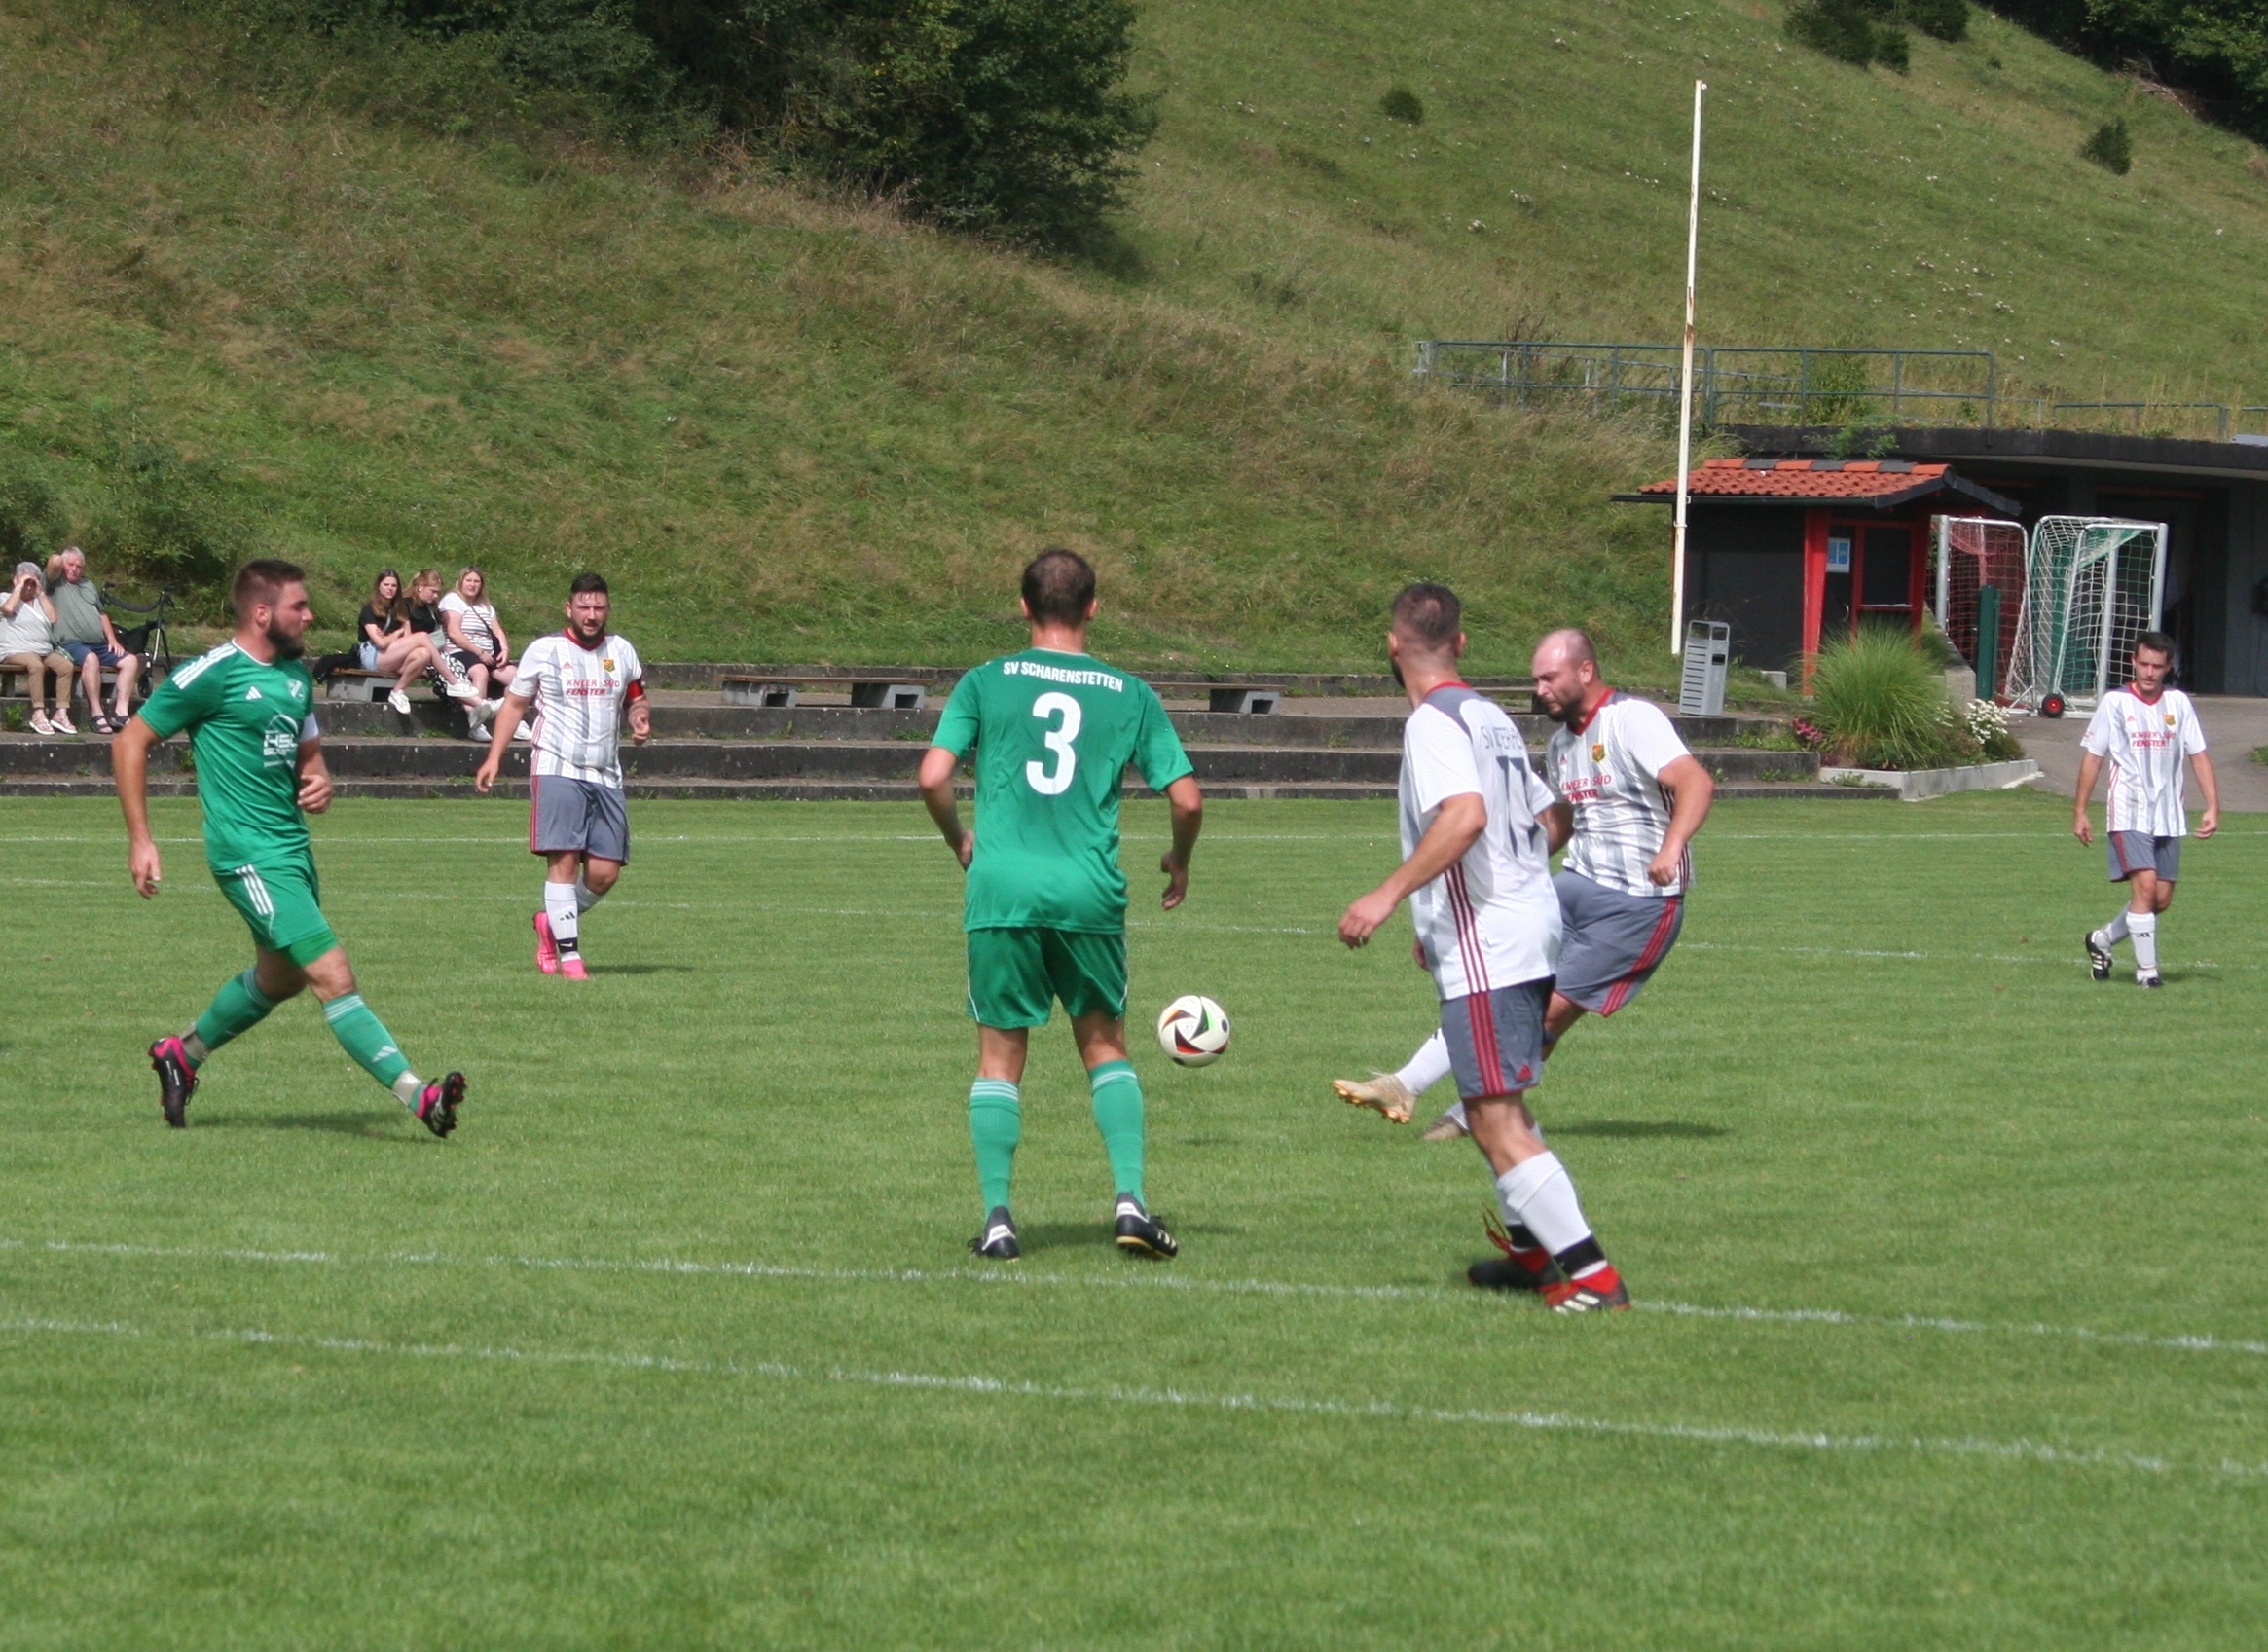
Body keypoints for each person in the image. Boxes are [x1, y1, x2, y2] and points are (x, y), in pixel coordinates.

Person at [1336, 584, 1628, 1313]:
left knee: (1495, 1120)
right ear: (1461, 644)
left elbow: (1464, 816)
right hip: (1526, 929)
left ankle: (1593, 1277)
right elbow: (1551, 816)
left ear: (1392, 646)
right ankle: (1532, 1256)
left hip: (1491, 944)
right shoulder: (1490, 715)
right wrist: (1488, 889)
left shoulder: (1431, 722)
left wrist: (1390, 895)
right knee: (1498, 1106)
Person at [916, 548, 1201, 1263]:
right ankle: (1131, 1201)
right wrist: (1180, 859)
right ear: (1093, 608)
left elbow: (932, 775)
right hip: (1087, 894)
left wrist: (959, 838)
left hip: (1003, 889)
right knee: (1104, 1046)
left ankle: (999, 1221)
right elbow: (1188, 799)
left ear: (1023, 606)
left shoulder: (986, 680)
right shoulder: (1130, 693)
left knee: (999, 1057)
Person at [116, 559, 463, 1134]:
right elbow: (131, 740)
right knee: (332, 973)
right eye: (298, 606)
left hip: (292, 849)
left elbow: (310, 758)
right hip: (247, 854)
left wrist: (320, 781)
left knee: (281, 978)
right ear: (262, 613)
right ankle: (420, 1097)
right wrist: (141, 839)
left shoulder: (296, 678)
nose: (309, 615)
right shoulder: (213, 673)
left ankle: (182, 1053)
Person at [1336, 628, 1715, 1155]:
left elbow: (1696, 781)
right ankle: (1407, 1084)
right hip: (1575, 884)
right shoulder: (1563, 744)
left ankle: (1469, 1116)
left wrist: (1671, 848)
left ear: (1586, 671)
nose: (1540, 690)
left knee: (1548, 1012)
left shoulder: (1632, 719)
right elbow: (1558, 822)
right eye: (1537, 679)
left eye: (1549, 678)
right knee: (1503, 987)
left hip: (1637, 904)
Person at [475, 572, 649, 978]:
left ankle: (551, 923)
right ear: (568, 608)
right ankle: (570, 956)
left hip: (606, 773)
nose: (591, 615)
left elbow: (636, 698)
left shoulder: (621, 651)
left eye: (599, 607)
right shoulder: (545, 650)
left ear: (608, 610)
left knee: (604, 874)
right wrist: (494, 757)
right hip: (557, 767)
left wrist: (640, 719)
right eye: (584, 607)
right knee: (564, 858)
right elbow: (514, 705)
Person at [2076, 632, 2219, 988]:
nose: (2149, 672)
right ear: (2133, 662)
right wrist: (2080, 810)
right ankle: (2147, 974)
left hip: (2169, 814)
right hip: (2129, 811)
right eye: (2143, 664)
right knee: (2145, 888)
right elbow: (2093, 758)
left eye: (2157, 666)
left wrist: (2212, 806)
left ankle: (2103, 939)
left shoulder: (2179, 703)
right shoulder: (2115, 703)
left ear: (2168, 667)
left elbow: (2198, 756)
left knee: (2160, 898)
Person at [48, 546, 140, 735]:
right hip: (70, 642)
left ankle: (121, 713)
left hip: (99, 644)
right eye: (70, 564)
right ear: (63, 565)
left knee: (131, 661)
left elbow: (102, 614)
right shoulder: (55, 584)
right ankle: (97, 714)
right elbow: (53, 563)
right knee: (91, 660)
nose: (75, 569)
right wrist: (61, 562)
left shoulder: (88, 584)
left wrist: (112, 639)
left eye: (79, 566)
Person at [409, 569, 497, 738]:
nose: (437, 596)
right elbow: (408, 634)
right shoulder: (407, 605)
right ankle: (481, 706)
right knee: (453, 675)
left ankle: (477, 720)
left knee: (457, 674)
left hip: (436, 653)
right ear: (420, 586)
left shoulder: (431, 608)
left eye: (438, 592)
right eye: (433, 591)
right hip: (420, 654)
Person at [356, 569, 448, 716]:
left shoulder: (400, 610)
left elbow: (408, 639)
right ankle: (451, 679)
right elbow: (381, 643)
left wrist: (393, 637)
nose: (390, 589)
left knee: (423, 653)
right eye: (386, 585)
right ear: (379, 586)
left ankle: (398, 691)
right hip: (372, 654)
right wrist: (397, 633)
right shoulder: (369, 609)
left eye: (394, 585)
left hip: (392, 654)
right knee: (422, 637)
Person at [1, 561, 76, 734]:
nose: (29, 587)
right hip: (16, 650)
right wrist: (19, 587)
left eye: (32, 583)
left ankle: (61, 713)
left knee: (66, 666)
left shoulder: (39, 601)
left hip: (43, 650)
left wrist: (41, 593)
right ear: (15, 580)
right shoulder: (6, 597)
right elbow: (8, 609)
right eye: (26, 582)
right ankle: (38, 713)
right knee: (36, 665)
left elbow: (53, 618)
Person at [441, 567, 518, 706]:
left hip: (488, 653)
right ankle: (477, 714)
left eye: (476, 581)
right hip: (461, 651)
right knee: (480, 672)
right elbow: (454, 633)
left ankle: (505, 712)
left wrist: (505, 650)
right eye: (468, 580)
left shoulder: (484, 605)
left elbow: (497, 631)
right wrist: (479, 652)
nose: (472, 584)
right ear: (461, 582)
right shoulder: (453, 600)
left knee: (519, 680)